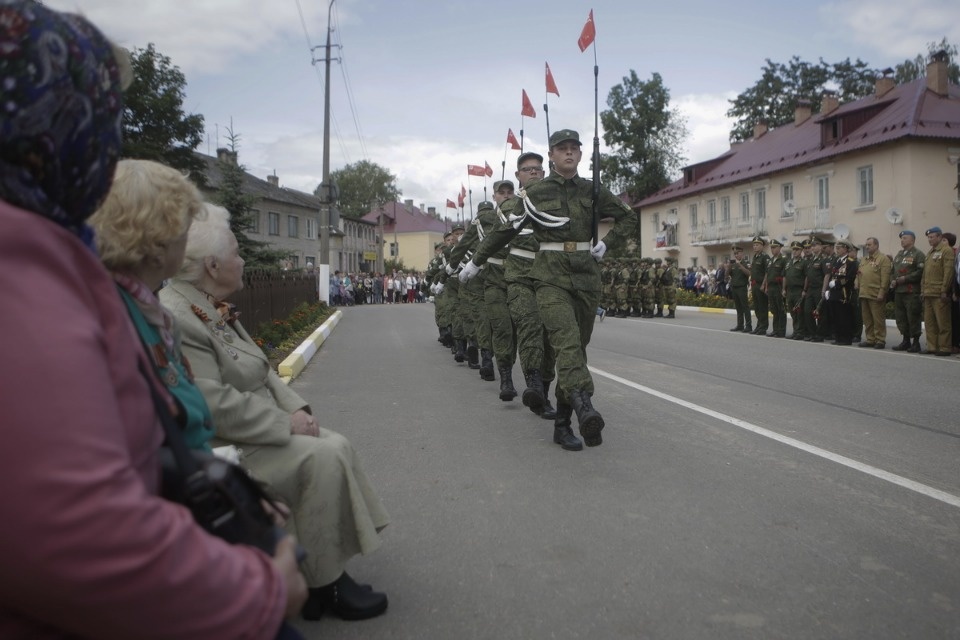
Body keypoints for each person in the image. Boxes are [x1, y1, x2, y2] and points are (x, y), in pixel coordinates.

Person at [0, 3, 306, 637]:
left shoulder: (52, 253)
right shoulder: (21, 272)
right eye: (99, 119)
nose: (107, 146)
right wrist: (260, 592)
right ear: (54, 126)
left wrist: (223, 487)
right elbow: (77, 533)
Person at [159, 204, 391, 620]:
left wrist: (297, 408)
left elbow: (260, 369)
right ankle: (326, 584)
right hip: (227, 443)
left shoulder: (208, 303)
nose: (243, 259)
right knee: (321, 455)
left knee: (334, 442)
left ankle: (320, 570)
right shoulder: (180, 313)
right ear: (212, 265)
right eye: (236, 252)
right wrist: (285, 423)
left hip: (253, 427)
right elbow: (210, 401)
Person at [460, 129, 638, 448]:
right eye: (562, 149)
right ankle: (584, 405)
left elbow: (628, 218)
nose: (569, 153)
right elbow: (504, 230)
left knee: (574, 351)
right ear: (552, 156)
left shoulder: (592, 190)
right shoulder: (535, 194)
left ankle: (562, 424)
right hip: (550, 277)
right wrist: (476, 261)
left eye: (574, 148)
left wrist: (607, 245)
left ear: (581, 155)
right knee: (567, 342)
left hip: (585, 276)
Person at [920, 226, 956, 356]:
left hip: (939, 292)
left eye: (932, 237)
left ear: (940, 237)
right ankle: (932, 346)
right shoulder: (930, 252)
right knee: (929, 322)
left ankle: (944, 347)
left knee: (943, 322)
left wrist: (944, 290)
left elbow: (948, 271)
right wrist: (923, 290)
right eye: (928, 237)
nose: (929, 239)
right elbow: (925, 273)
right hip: (928, 292)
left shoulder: (946, 251)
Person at [889, 230, 925, 352]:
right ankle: (905, 340)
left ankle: (916, 342)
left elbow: (920, 272)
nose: (902, 240)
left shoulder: (918, 254)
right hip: (899, 291)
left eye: (905, 238)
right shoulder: (899, 254)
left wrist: (905, 278)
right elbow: (893, 270)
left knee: (913, 316)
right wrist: (893, 280)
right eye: (901, 238)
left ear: (912, 240)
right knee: (901, 317)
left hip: (911, 291)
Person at [857, 237, 892, 348]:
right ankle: (870, 339)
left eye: (869, 245)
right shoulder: (864, 259)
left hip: (875, 293)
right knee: (867, 319)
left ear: (876, 245)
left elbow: (885, 278)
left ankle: (880, 340)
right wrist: (856, 283)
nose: (867, 247)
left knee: (878, 319)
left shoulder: (883, 259)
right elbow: (859, 274)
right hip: (864, 293)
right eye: (866, 245)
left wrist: (882, 292)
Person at [826, 240, 859, 345]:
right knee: (836, 316)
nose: (837, 250)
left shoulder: (850, 262)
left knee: (843, 316)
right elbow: (833, 275)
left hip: (843, 292)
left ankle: (846, 338)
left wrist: (837, 284)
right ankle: (838, 337)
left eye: (839, 248)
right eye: (837, 248)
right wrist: (829, 289)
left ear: (846, 249)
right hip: (835, 293)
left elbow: (849, 278)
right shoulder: (837, 261)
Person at [784, 241, 808, 339]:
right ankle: (795, 331)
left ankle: (800, 332)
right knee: (792, 312)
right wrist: (783, 289)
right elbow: (785, 276)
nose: (795, 252)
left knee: (799, 312)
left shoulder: (804, 262)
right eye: (793, 250)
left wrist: (804, 290)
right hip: (790, 291)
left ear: (801, 250)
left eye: (797, 250)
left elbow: (807, 277)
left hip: (798, 290)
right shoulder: (789, 262)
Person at [764, 238, 787, 337]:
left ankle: (781, 331)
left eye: (774, 247)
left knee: (781, 309)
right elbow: (768, 274)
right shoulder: (770, 260)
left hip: (778, 287)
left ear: (780, 248)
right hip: (771, 287)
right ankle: (775, 329)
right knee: (774, 309)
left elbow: (785, 275)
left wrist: (783, 289)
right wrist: (766, 287)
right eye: (771, 248)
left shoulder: (784, 259)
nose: (772, 250)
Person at [749, 236, 770, 334]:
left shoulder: (765, 257)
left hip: (760, 285)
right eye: (754, 245)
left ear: (762, 246)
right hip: (754, 285)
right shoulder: (755, 257)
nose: (755, 247)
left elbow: (767, 272)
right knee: (757, 307)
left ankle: (763, 327)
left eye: (757, 245)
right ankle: (759, 325)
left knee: (762, 307)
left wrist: (764, 285)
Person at [728, 246, 752, 332]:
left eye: (737, 253)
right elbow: (727, 275)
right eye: (735, 254)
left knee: (745, 307)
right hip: (734, 288)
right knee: (738, 308)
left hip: (742, 288)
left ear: (741, 253)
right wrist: (729, 266)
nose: (736, 255)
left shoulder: (746, 263)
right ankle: (740, 325)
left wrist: (740, 266)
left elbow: (749, 273)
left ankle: (748, 326)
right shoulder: (733, 264)